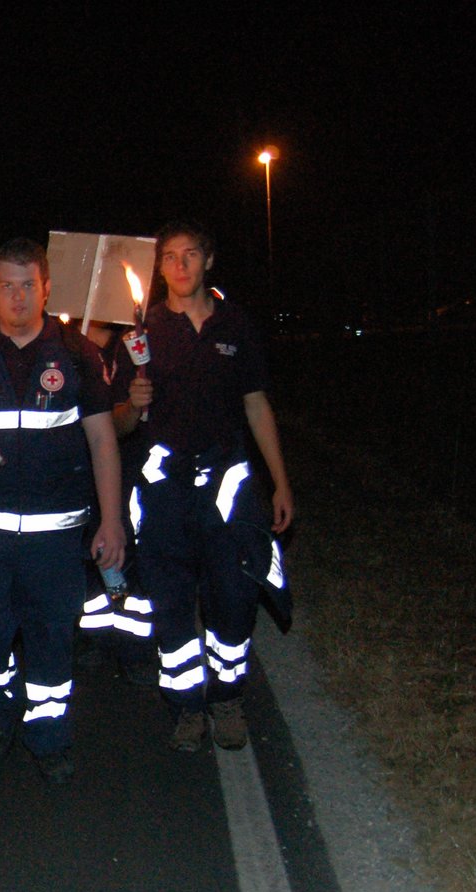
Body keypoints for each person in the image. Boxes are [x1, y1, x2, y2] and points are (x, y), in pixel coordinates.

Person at [0, 238, 126, 782]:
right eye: (6, 286)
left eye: (27, 285)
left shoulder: (78, 354)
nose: (17, 297)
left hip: (54, 537)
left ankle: (49, 734)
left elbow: (104, 442)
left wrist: (113, 521)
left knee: (53, 638)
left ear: (46, 288)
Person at [111, 220, 294, 751]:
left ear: (208, 260)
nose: (182, 265)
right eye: (171, 257)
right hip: (165, 489)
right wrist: (133, 405)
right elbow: (120, 426)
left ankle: (227, 698)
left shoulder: (235, 326)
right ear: (160, 266)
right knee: (169, 602)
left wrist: (279, 482)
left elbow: (256, 405)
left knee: (234, 594)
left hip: (226, 482)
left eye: (191, 255)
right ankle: (188, 708)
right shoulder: (140, 335)